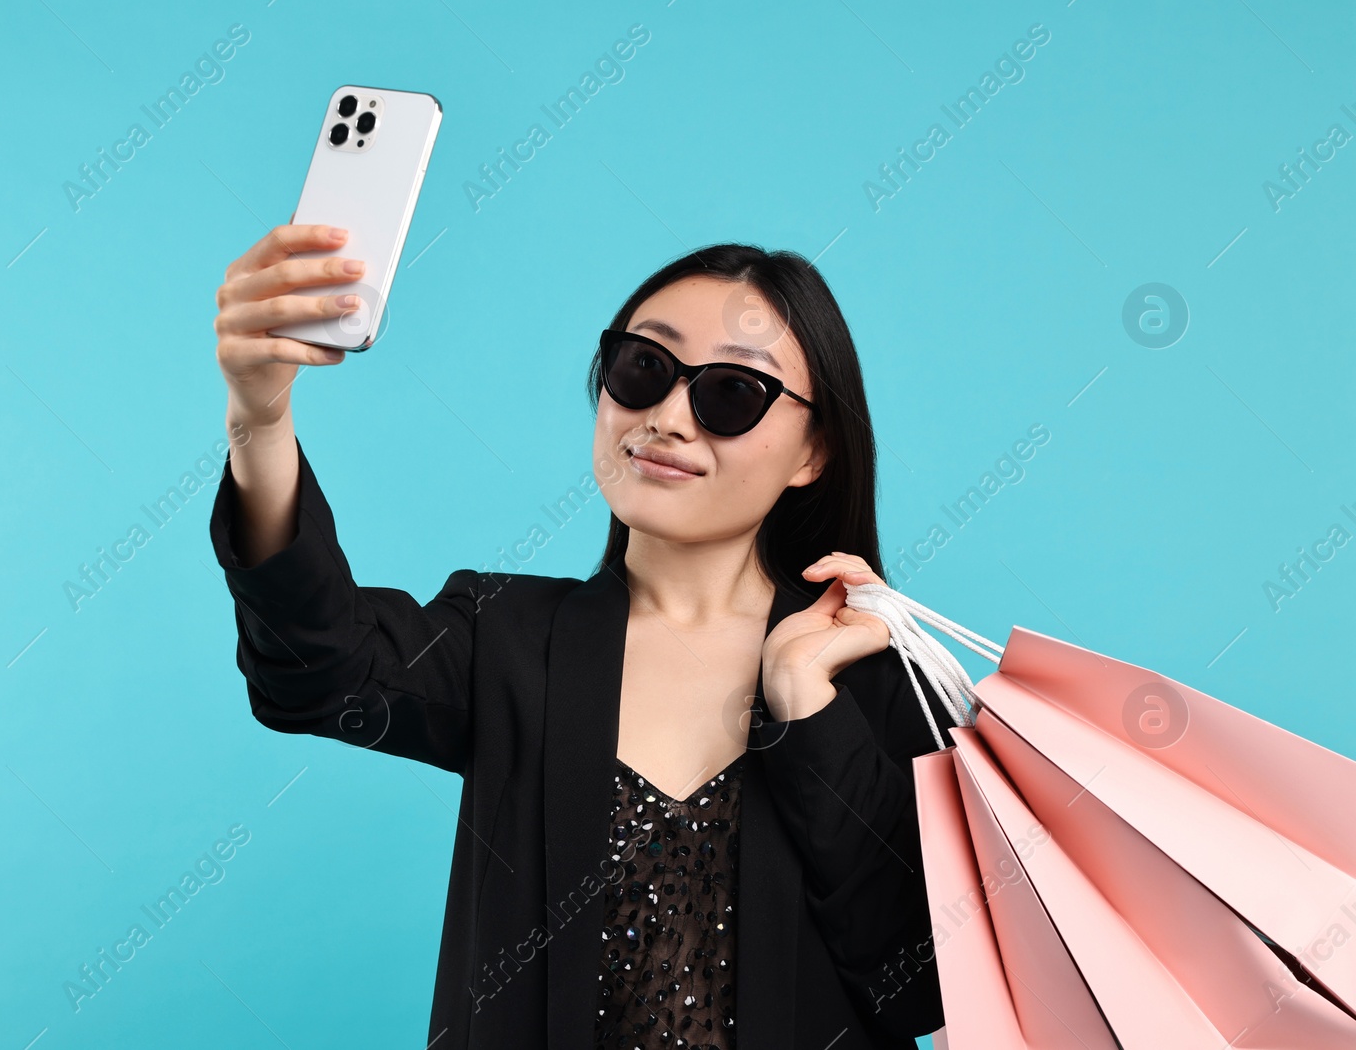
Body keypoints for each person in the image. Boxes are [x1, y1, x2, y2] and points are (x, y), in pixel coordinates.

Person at [209, 222, 957, 1049]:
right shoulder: (507, 636)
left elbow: (920, 986)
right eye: (644, 368)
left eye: (734, 392)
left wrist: (809, 710)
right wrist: (260, 416)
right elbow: (316, 672)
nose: (669, 417)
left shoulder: (877, 674)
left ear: (815, 450)